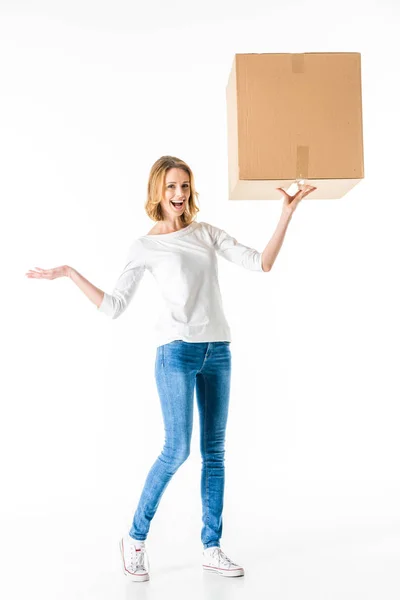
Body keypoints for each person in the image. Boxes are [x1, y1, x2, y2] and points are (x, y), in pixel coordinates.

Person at [25, 155, 316, 582]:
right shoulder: (146, 246)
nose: (179, 195)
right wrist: (69, 273)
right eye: (171, 187)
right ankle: (135, 538)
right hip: (175, 353)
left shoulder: (205, 234)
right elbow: (114, 307)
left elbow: (261, 263)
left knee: (214, 453)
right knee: (177, 449)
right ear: (158, 193)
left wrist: (286, 214)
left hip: (217, 350)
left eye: (185, 186)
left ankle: (211, 546)